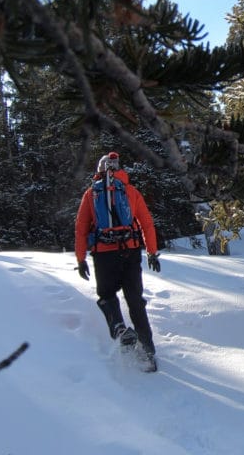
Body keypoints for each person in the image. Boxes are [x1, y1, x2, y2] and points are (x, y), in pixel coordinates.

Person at [75, 151, 162, 371]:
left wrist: (81, 258)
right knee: (135, 300)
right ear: (119, 169)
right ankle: (148, 350)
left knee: (106, 295)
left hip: (104, 254)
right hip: (130, 252)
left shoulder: (91, 194)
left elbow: (81, 229)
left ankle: (120, 329)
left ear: (99, 170)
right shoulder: (131, 191)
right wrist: (152, 252)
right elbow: (146, 223)